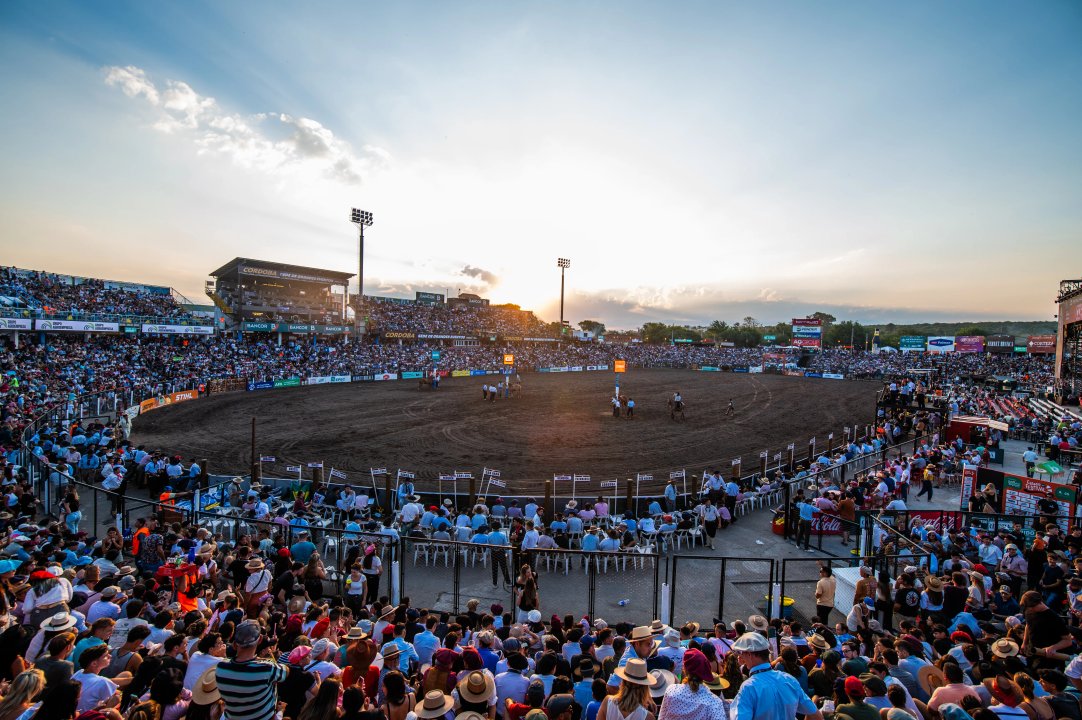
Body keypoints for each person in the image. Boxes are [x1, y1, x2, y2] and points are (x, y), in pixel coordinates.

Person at [729, 632, 822, 720]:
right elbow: (816, 715)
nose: (741, 656)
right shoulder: (789, 679)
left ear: (749, 654)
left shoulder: (748, 687)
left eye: (742, 653)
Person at [215, 620, 288, 720]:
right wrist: (261, 659)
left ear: (235, 644)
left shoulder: (221, 667)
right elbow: (286, 671)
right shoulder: (266, 668)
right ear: (260, 639)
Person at [657, 649, 729, 720]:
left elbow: (661, 718)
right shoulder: (714, 703)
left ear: (684, 668)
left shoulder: (671, 691)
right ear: (705, 671)